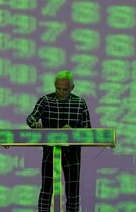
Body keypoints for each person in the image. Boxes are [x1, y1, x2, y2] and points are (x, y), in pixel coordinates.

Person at [26, 70, 91, 212]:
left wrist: (73, 132)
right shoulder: (45, 101)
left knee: (72, 192)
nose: (61, 92)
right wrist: (34, 123)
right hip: (50, 152)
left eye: (65, 89)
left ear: (72, 87)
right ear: (55, 85)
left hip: (72, 154)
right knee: (46, 190)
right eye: (58, 88)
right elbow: (30, 118)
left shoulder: (80, 103)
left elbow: (87, 130)